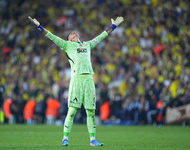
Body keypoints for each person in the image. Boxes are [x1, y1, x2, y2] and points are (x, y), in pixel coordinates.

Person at [28, 15, 124, 147]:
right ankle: (65, 138)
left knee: (91, 112)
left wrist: (113, 26)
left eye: (74, 33)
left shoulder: (87, 45)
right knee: (72, 111)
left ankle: (92, 140)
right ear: (69, 39)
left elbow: (101, 37)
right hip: (77, 79)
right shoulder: (67, 45)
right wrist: (39, 27)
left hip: (89, 80)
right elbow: (51, 36)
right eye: (70, 34)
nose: (73, 33)